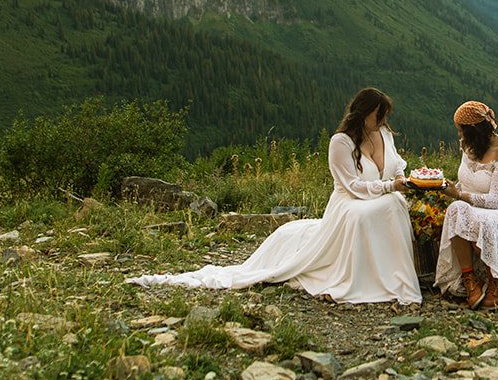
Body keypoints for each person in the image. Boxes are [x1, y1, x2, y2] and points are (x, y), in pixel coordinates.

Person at [126, 87, 420, 304]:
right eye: (377, 115)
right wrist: (388, 188)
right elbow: (352, 186)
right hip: (349, 203)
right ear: (363, 112)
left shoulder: (384, 135)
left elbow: (397, 166)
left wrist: (398, 181)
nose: (382, 120)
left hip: (382, 195)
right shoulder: (340, 143)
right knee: (370, 211)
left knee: (393, 204)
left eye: (383, 116)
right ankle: (364, 278)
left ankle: (392, 275)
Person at [436, 100, 498, 308]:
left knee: (483, 219)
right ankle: (469, 278)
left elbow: (493, 201)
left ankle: (496, 280)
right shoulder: (468, 146)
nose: (459, 136)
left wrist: (458, 194)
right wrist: (448, 188)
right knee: (455, 210)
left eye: (461, 131)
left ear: (474, 130)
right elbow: (465, 182)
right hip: (471, 206)